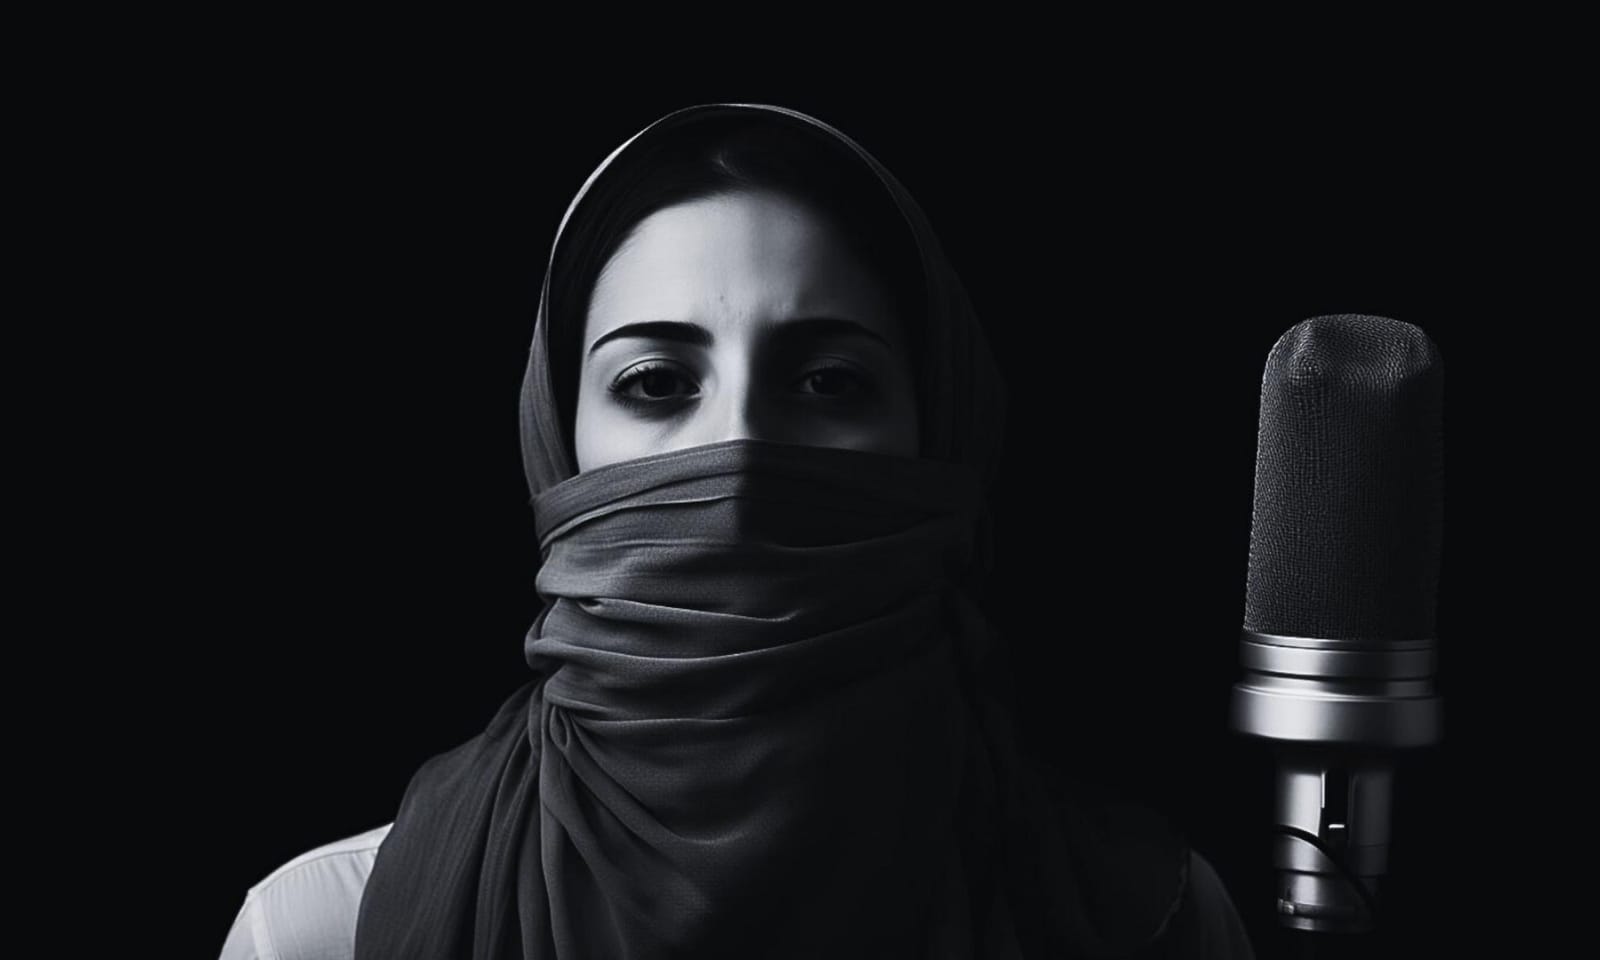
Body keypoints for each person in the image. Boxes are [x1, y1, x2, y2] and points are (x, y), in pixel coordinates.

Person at [218, 102, 1256, 959]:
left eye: (829, 382)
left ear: (942, 428)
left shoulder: (1155, 924)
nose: (744, 451)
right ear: (555, 439)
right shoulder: (321, 932)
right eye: (658, 383)